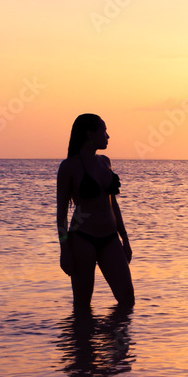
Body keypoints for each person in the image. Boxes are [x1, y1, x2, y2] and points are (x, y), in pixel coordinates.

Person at [56, 114, 135, 310]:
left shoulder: (105, 162)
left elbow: (113, 204)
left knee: (127, 301)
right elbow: (61, 214)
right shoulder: (69, 167)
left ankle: (114, 338)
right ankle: (83, 339)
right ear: (90, 134)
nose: (108, 136)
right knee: (83, 306)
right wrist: (64, 250)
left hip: (110, 238)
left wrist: (124, 238)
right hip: (82, 238)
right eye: (104, 131)